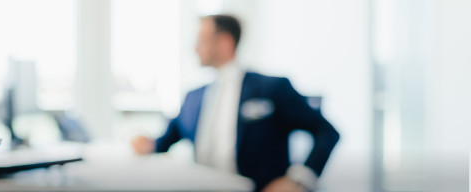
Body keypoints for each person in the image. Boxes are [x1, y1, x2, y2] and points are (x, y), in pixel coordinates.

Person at [131, 15, 339, 192]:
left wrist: (299, 180)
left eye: (201, 40)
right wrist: (145, 144)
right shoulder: (193, 97)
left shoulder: (272, 88)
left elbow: (326, 132)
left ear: (224, 42)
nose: (195, 48)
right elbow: (164, 142)